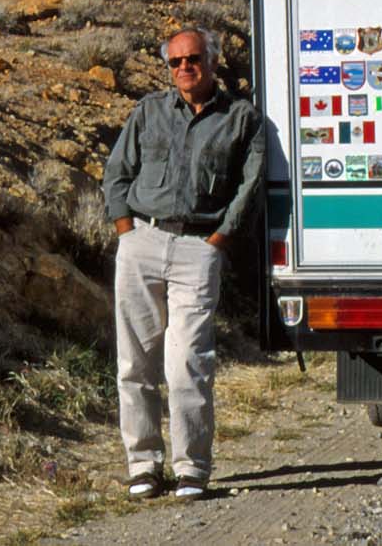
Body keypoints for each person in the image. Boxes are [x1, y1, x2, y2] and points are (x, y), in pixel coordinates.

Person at [101, 25, 265, 501]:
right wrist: (125, 230)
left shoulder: (241, 118)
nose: (184, 69)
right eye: (175, 62)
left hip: (199, 248)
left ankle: (192, 467)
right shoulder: (149, 111)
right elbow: (117, 173)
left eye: (193, 59)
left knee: (188, 361)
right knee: (135, 362)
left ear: (213, 62)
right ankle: (143, 465)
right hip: (143, 241)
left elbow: (249, 187)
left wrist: (218, 240)